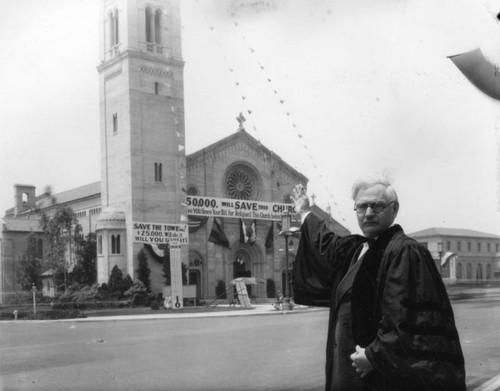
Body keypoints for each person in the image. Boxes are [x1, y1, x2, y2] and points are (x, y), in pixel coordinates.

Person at [291, 179, 466, 391]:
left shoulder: (404, 252)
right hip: (346, 376)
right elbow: (326, 243)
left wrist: (375, 356)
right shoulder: (357, 250)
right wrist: (304, 212)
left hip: (378, 378)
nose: (368, 213)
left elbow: (406, 319)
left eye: (377, 205)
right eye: (362, 206)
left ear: (394, 209)